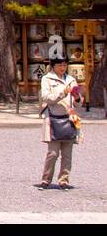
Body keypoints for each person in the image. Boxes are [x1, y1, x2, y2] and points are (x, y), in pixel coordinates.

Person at [39, 55, 80, 189]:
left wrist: (77, 98)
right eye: (59, 65)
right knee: (53, 153)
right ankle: (46, 179)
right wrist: (62, 93)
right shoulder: (47, 79)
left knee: (67, 153)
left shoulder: (71, 79)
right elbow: (46, 97)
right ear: (53, 66)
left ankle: (64, 180)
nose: (63, 68)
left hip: (69, 117)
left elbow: (77, 102)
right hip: (53, 117)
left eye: (64, 65)